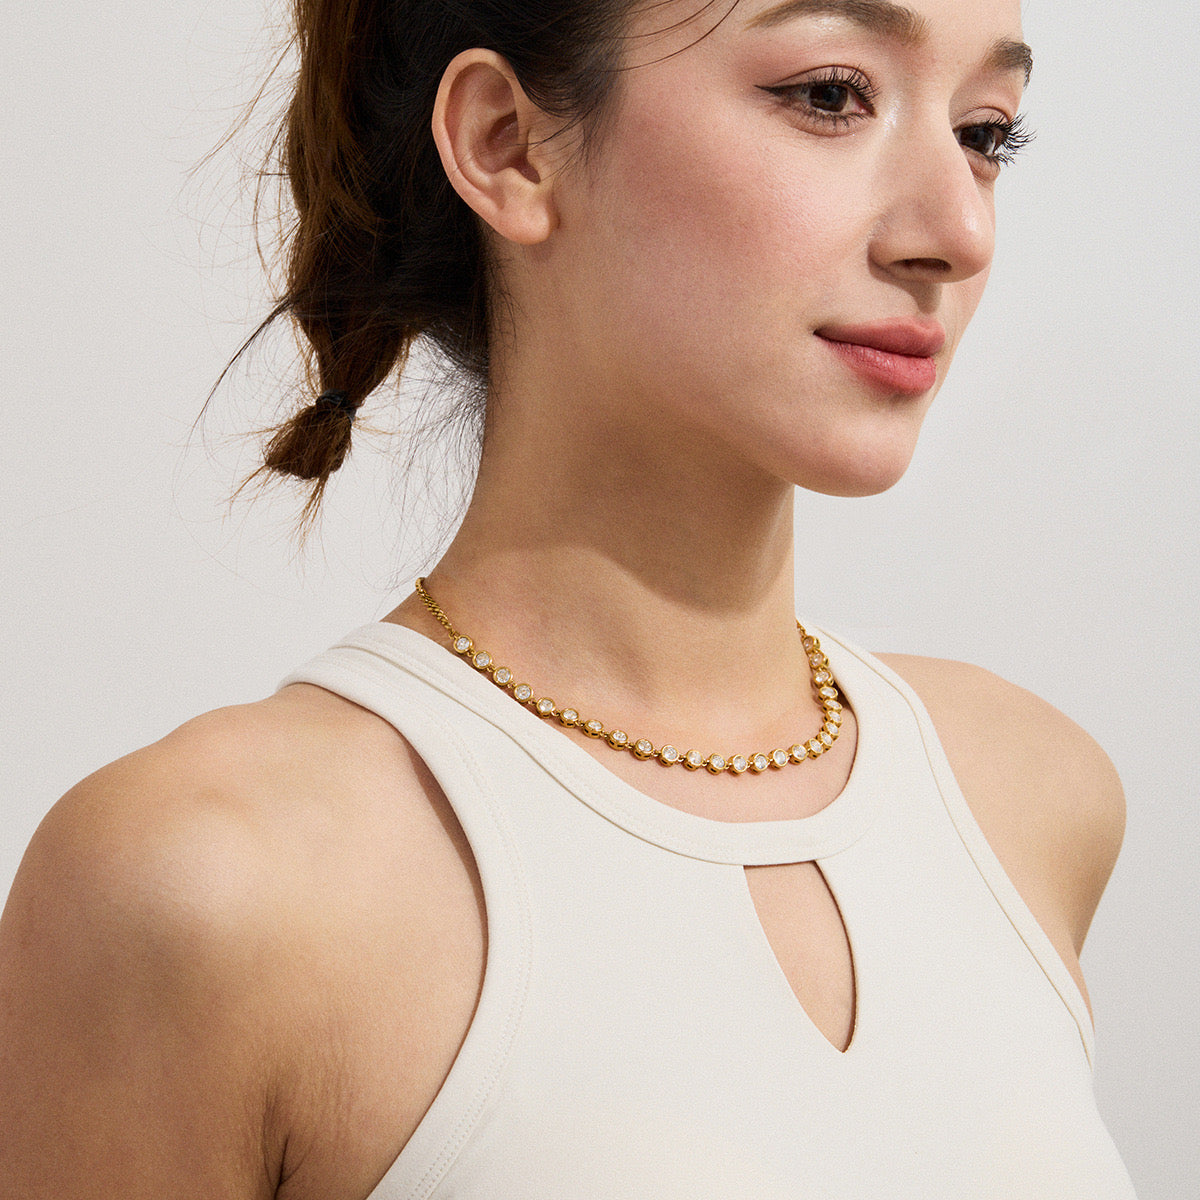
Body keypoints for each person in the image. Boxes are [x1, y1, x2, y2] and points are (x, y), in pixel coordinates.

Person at [0, 0, 1137, 1195]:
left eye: (985, 133)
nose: (959, 230)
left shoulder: (1029, 800)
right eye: (828, 96)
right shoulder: (208, 885)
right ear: (508, 144)